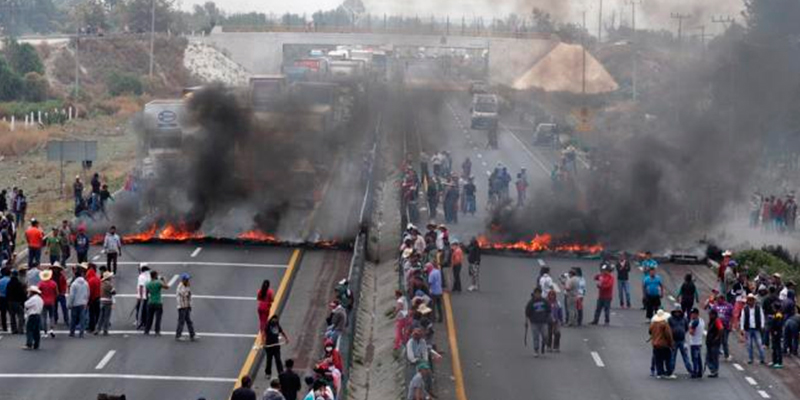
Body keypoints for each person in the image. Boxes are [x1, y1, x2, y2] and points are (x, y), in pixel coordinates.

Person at [740, 293, 766, 364]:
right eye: (749, 300)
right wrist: (742, 328)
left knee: (759, 344)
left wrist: (762, 325)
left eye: (752, 300)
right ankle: (750, 358)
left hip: (756, 328)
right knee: (749, 344)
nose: (751, 302)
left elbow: (762, 317)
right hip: (748, 329)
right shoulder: (745, 309)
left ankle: (762, 358)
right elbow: (742, 319)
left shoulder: (758, 308)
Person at [525, 287, 551, 357]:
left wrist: (548, 318)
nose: (537, 295)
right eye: (536, 293)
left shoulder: (544, 301)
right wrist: (527, 321)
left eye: (538, 293)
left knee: (545, 335)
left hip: (543, 322)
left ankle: (543, 344)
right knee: (535, 337)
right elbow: (527, 312)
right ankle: (536, 350)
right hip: (534, 322)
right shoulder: (531, 302)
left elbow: (549, 309)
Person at [650, 309, 675, 379]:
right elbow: (668, 335)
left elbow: (650, 332)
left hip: (655, 344)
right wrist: (671, 344)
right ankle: (669, 373)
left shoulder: (653, 324)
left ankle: (659, 373)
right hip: (664, 344)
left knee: (658, 359)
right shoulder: (664, 324)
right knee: (668, 359)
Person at [667, 306, 692, 376]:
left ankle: (690, 370)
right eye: (676, 312)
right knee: (672, 357)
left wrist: (682, 332)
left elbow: (686, 328)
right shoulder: (670, 319)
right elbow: (667, 329)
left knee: (685, 356)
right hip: (673, 341)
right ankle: (670, 371)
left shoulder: (684, 319)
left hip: (682, 340)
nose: (677, 313)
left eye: (678, 312)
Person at [710, 294, 734, 361]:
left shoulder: (729, 306)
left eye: (718, 299)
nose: (717, 300)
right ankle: (714, 354)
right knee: (716, 340)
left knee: (724, 341)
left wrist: (731, 325)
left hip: (725, 326)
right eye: (717, 299)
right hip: (716, 327)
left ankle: (726, 355)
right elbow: (711, 315)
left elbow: (732, 316)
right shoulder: (715, 306)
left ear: (723, 299)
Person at [144, 270, 168, 336]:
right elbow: (167, 287)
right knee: (158, 318)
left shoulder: (148, 284)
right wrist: (164, 280)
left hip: (150, 302)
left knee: (149, 318)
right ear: (155, 275)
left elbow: (147, 293)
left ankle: (147, 330)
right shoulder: (158, 282)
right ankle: (157, 331)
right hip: (158, 302)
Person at [68, 267, 89, 338]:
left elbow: (72, 295)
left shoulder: (74, 284)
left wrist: (69, 304)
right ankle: (81, 333)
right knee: (82, 319)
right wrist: (86, 301)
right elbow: (88, 293)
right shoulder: (86, 283)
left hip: (75, 304)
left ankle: (72, 332)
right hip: (83, 303)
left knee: (73, 319)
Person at [176, 273, 196, 341]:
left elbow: (189, 295)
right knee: (181, 321)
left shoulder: (186, 285)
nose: (188, 280)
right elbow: (185, 294)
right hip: (182, 307)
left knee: (189, 321)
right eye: (187, 279)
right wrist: (188, 290)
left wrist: (190, 305)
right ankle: (178, 335)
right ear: (184, 279)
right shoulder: (180, 286)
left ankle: (192, 335)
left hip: (187, 306)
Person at [38, 268, 57, 338]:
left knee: (44, 317)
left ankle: (45, 332)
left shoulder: (41, 284)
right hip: (51, 301)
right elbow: (56, 292)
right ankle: (52, 329)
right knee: (52, 316)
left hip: (43, 302)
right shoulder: (53, 283)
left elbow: (38, 292)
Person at [23, 286, 43, 350]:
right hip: (38, 315)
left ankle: (29, 344)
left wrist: (27, 298)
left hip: (32, 315)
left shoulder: (33, 299)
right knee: (36, 331)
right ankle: (36, 344)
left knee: (29, 330)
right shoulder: (40, 299)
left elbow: (26, 304)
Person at [706, 308, 724, 377]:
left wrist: (717, 338)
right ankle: (713, 370)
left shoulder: (716, 321)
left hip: (714, 343)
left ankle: (714, 370)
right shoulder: (711, 321)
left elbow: (721, 329)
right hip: (710, 342)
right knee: (709, 357)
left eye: (710, 314)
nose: (709, 316)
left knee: (713, 357)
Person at [688, 308, 705, 378]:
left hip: (694, 342)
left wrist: (689, 329)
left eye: (693, 313)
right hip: (699, 341)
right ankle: (700, 371)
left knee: (694, 358)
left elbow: (692, 332)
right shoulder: (701, 320)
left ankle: (695, 372)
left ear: (696, 314)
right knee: (698, 358)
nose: (691, 315)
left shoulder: (695, 322)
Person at [7, 269, 25, 334]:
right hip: (18, 302)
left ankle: (13, 330)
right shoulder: (19, 284)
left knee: (12, 316)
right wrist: (23, 301)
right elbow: (22, 293)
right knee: (20, 315)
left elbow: (7, 293)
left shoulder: (9, 283)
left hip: (10, 302)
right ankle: (20, 329)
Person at [96, 271, 115, 335]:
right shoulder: (109, 285)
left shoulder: (102, 283)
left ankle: (98, 329)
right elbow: (114, 292)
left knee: (101, 316)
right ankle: (105, 330)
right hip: (108, 301)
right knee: (107, 316)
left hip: (101, 301)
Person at [86, 264, 101, 332]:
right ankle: (98, 326)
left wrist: (88, 300)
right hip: (98, 298)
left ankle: (91, 327)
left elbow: (90, 292)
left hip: (92, 299)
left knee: (91, 314)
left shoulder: (90, 281)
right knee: (97, 313)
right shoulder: (97, 279)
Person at [136, 264, 151, 329]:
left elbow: (144, 286)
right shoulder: (143, 276)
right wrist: (141, 296)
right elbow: (141, 287)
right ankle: (141, 322)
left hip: (145, 295)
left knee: (144, 310)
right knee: (143, 309)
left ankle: (144, 321)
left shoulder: (144, 276)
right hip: (144, 296)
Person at [769, 304, 784, 369]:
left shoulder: (779, 315)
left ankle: (779, 362)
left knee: (778, 347)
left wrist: (776, 331)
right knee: (774, 347)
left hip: (777, 333)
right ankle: (774, 361)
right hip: (774, 333)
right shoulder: (776, 314)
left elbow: (778, 324)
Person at [0, 268, 9, 332]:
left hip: (1, 297)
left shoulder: (0, 281)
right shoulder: (10, 280)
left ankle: (4, 326)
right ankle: (14, 326)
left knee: (3, 313)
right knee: (12, 313)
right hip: (9, 298)